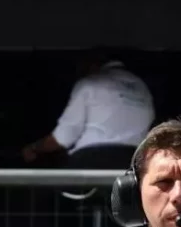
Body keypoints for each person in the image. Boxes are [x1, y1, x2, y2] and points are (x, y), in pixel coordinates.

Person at [22, 49, 154, 165]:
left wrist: (35, 148)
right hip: (132, 163)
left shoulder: (90, 83)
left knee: (57, 188)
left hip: (92, 160)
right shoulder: (142, 89)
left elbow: (64, 136)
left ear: (91, 63)